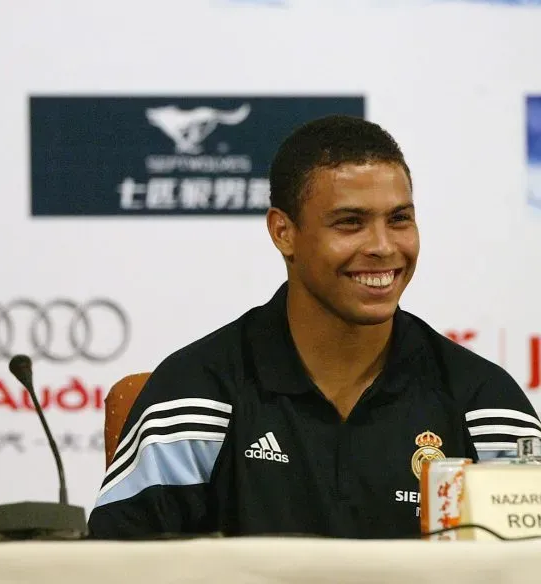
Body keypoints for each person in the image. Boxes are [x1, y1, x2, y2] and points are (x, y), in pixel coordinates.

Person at [88, 115, 541, 539]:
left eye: (399, 219)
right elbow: (117, 572)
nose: (383, 247)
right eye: (351, 223)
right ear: (283, 232)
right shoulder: (195, 394)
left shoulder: (484, 405)